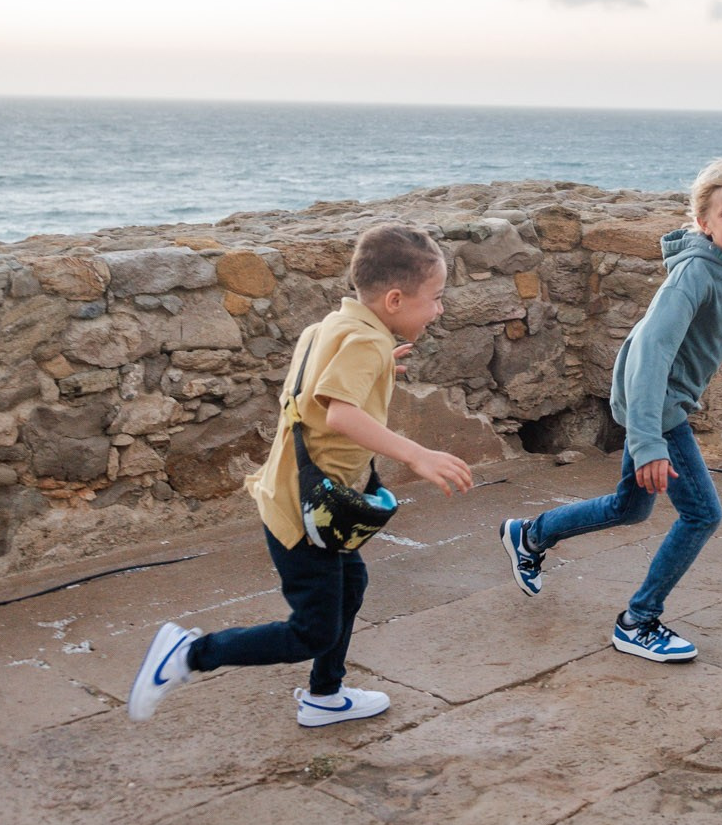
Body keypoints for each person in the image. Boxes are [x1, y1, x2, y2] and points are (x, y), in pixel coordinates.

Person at [499, 159, 722, 661]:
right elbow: (650, 355)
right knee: (702, 515)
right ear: (704, 223)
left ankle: (530, 535)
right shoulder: (694, 276)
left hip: (662, 399)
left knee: (630, 507)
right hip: (652, 399)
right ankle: (638, 621)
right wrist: (648, 443)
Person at [128, 224, 475, 727]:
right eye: (436, 298)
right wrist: (417, 454)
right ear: (395, 300)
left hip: (296, 493)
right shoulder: (366, 344)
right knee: (311, 630)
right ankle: (187, 654)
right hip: (307, 511)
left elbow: (319, 386)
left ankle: (325, 695)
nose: (440, 309)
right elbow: (340, 415)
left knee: (350, 587)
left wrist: (380, 366)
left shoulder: (336, 326)